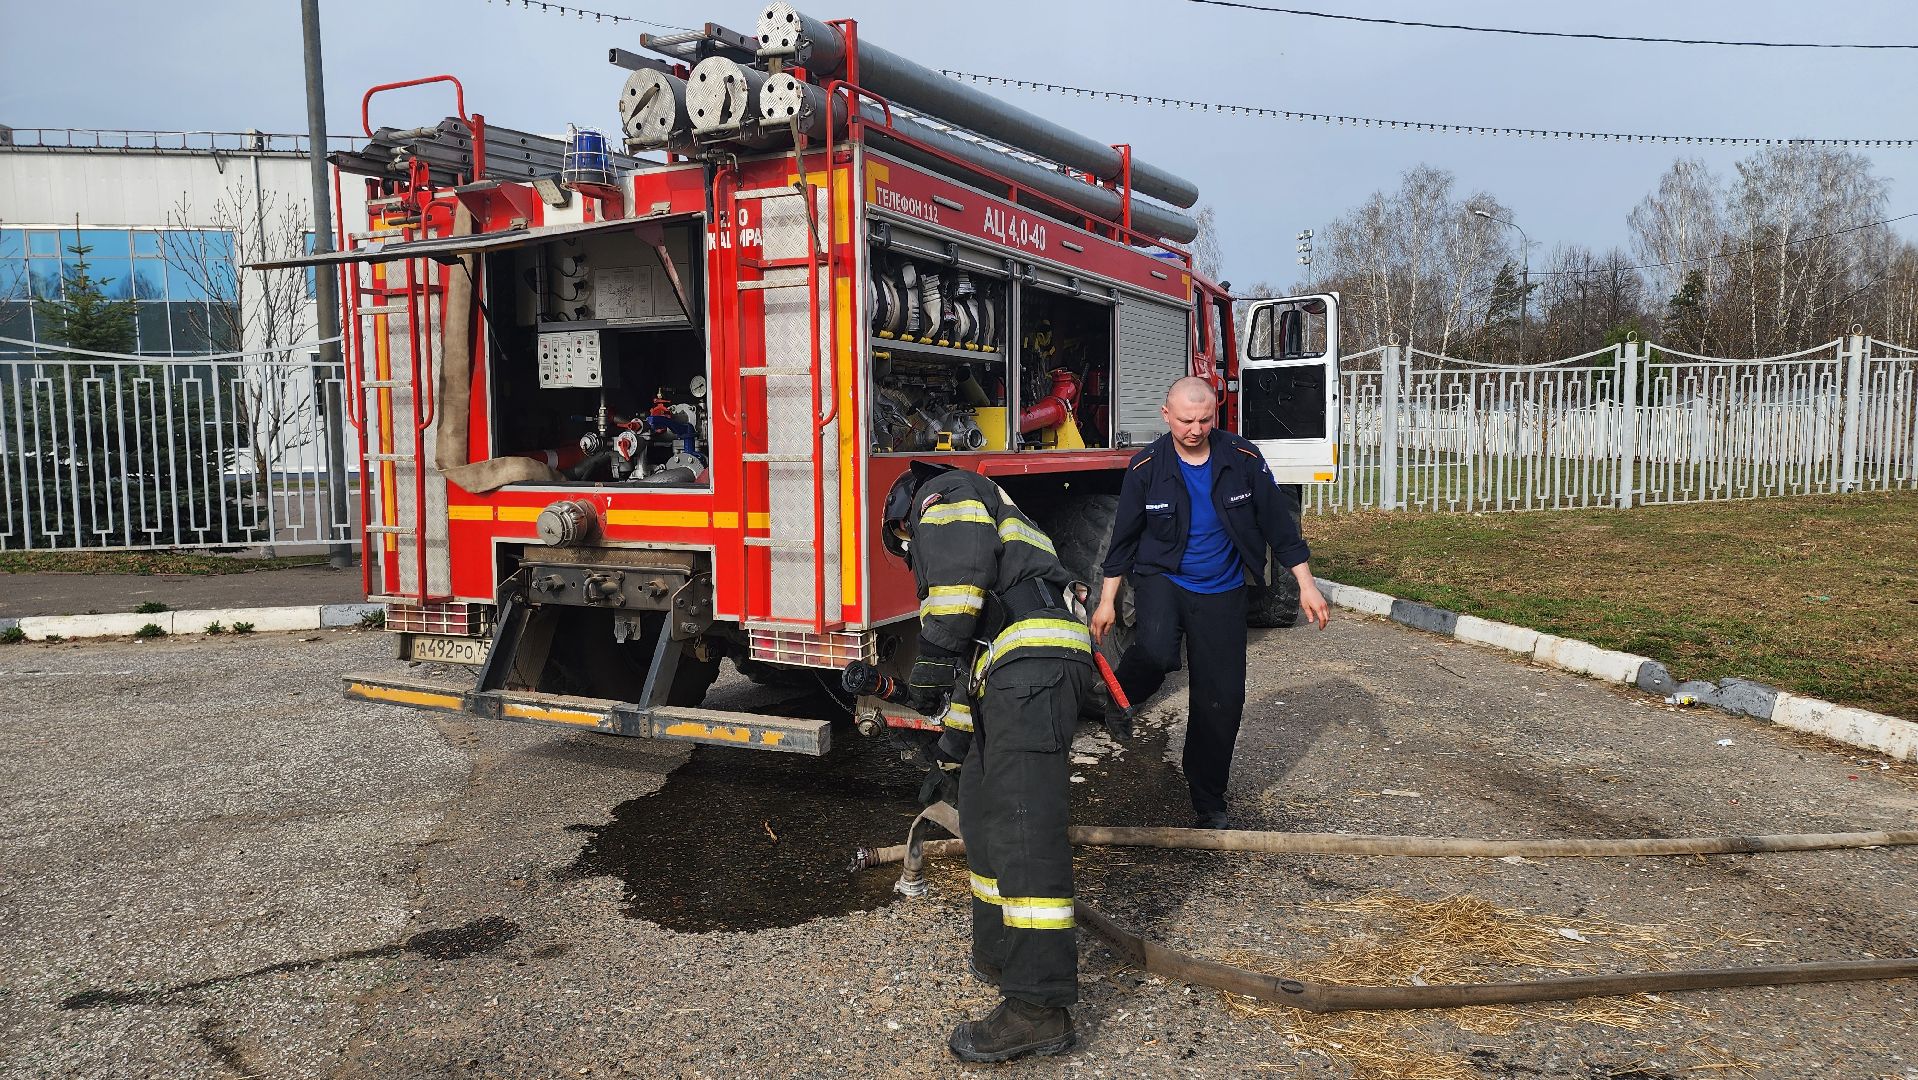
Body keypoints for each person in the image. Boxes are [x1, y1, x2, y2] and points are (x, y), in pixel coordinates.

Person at [882, 459, 1094, 1064]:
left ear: (903, 518)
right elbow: (966, 693)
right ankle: (1001, 951)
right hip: (1013, 674)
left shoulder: (943, 494)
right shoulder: (994, 552)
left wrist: (928, 658)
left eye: (906, 549)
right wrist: (946, 761)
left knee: (1023, 830)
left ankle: (1037, 1009)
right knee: (981, 809)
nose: (914, 558)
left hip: (1035, 669)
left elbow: (954, 591)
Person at [1091, 377, 1330, 829]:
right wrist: (1107, 602)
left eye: (1204, 420)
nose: (1195, 429)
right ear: (1166, 416)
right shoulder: (1145, 467)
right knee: (1158, 652)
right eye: (1185, 420)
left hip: (1222, 589)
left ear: (1214, 415)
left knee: (1221, 699)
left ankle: (1208, 799)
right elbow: (1121, 541)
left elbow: (1280, 526)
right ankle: (1120, 698)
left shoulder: (1242, 459)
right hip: (1164, 578)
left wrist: (1307, 585)